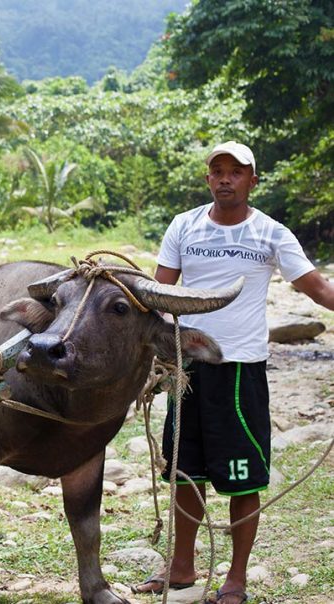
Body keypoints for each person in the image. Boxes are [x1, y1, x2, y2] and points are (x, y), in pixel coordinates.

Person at [132, 141, 334, 604]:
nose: (226, 178)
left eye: (236, 171)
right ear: (208, 179)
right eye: (217, 170)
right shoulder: (184, 225)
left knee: (245, 478)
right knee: (185, 470)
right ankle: (182, 566)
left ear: (252, 181)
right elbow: (158, 292)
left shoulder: (271, 233)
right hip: (187, 367)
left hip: (240, 369)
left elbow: (318, 287)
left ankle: (236, 578)